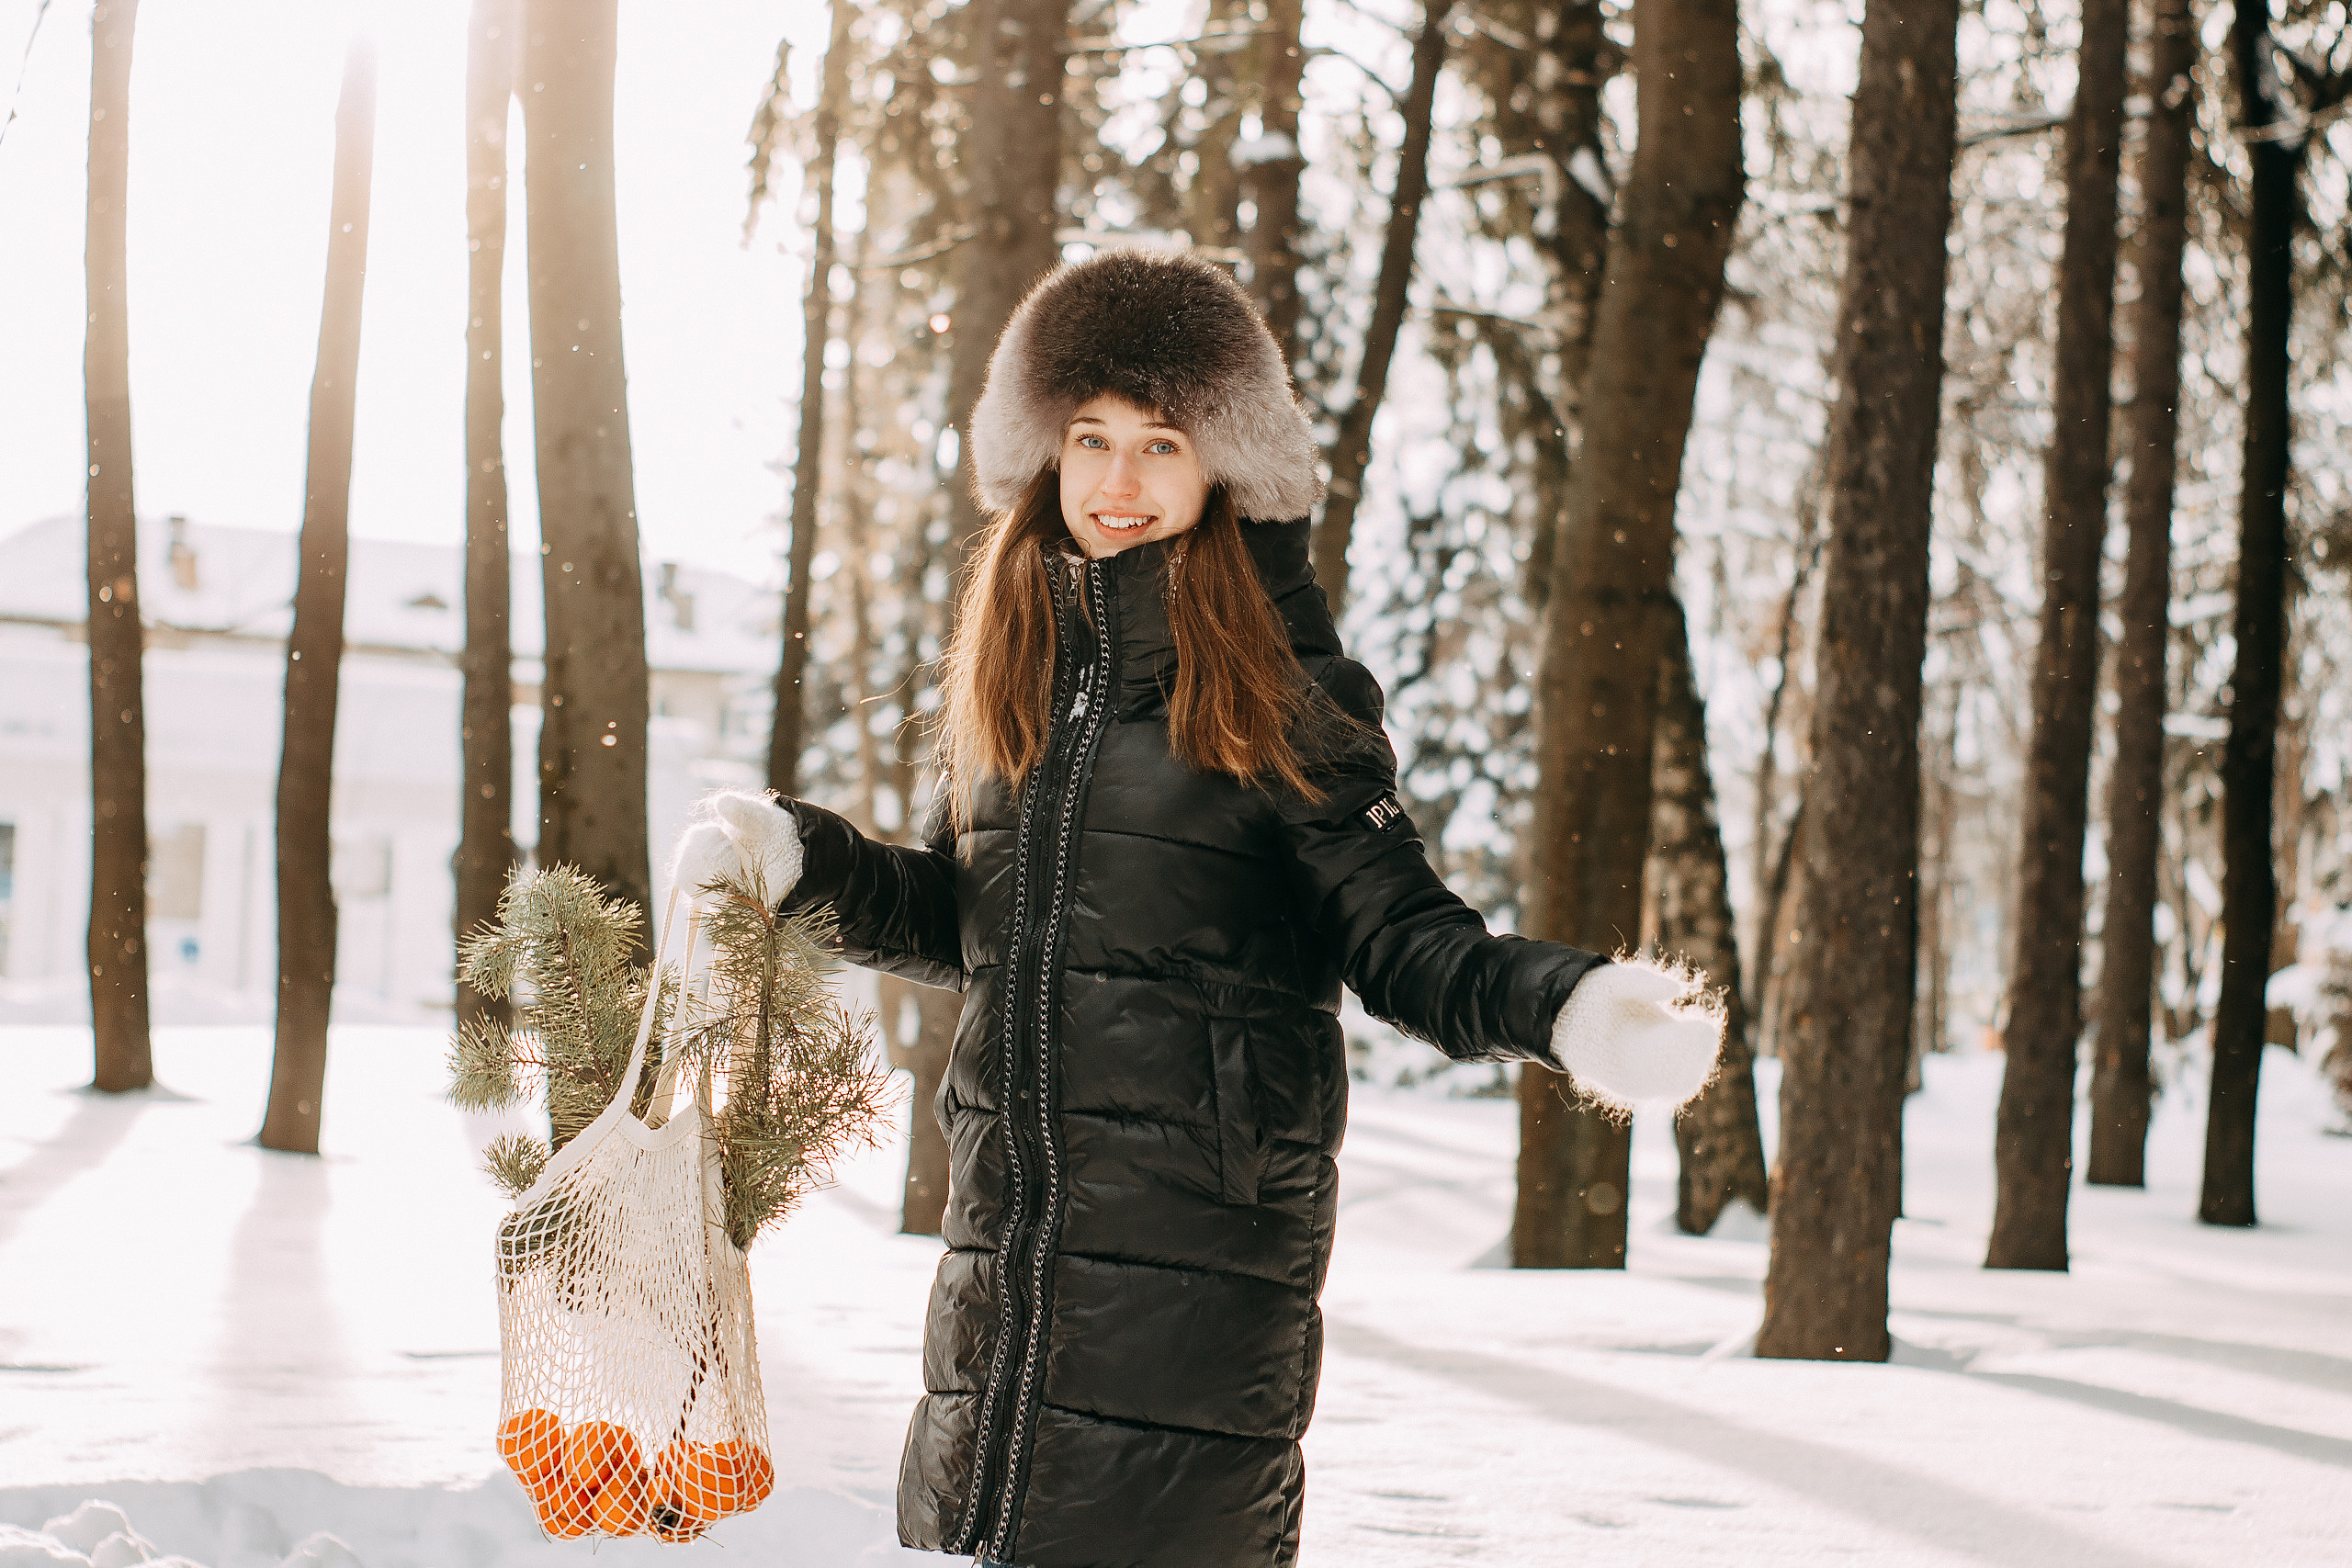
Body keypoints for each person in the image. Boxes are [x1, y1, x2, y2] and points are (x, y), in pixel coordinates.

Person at [674, 250, 1723, 1568]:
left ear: (1223, 465)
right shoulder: (1022, 679)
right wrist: (810, 866)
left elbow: (1402, 937)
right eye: (1090, 438)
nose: (1118, 480)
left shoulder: (1284, 688)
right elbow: (968, 919)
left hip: (1196, 1279)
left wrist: (1566, 1005)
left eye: (1159, 444)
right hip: (1005, 1271)